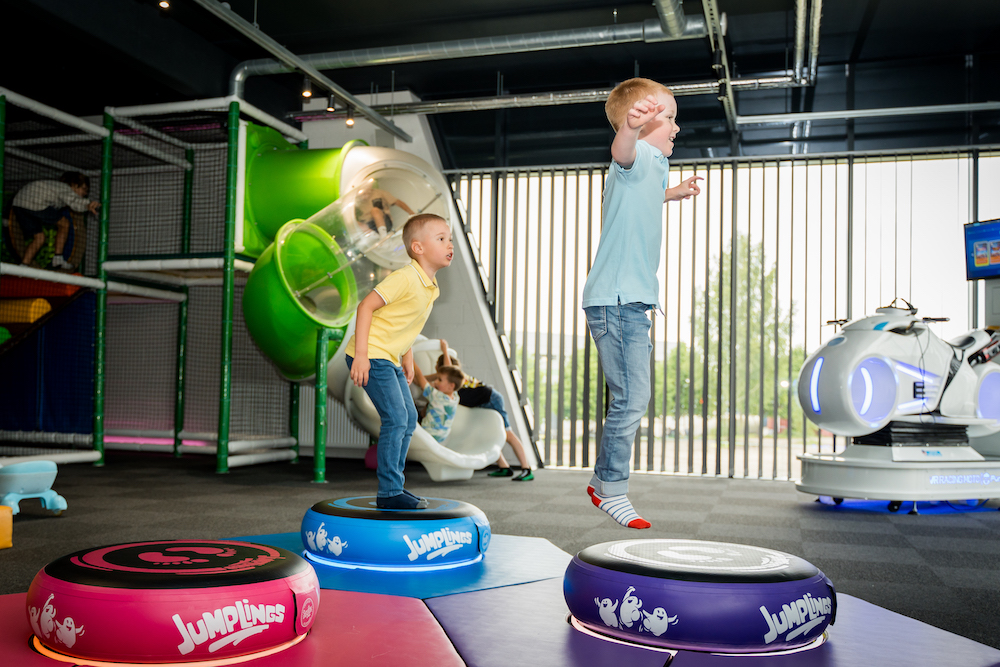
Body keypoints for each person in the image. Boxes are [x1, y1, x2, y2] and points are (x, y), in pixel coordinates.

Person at [581, 78, 702, 529]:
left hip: (629, 302)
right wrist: (629, 128)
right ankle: (609, 488)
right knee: (632, 398)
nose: (676, 127)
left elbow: (641, 194)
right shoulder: (635, 155)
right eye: (669, 118)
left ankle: (605, 482)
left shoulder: (656, 167)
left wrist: (673, 192)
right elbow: (622, 154)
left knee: (634, 397)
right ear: (643, 124)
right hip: (617, 300)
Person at [345, 213, 453, 510]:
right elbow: (366, 307)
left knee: (408, 418)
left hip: (389, 356)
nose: (450, 245)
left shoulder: (431, 286)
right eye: (441, 239)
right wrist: (362, 356)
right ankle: (390, 491)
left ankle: (395, 487)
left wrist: (407, 355)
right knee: (396, 418)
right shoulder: (406, 277)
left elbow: (405, 324)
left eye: (450, 239)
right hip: (371, 354)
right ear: (418, 248)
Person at [432, 339, 534, 481]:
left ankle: (526, 469)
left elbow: (447, 369)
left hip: (491, 399)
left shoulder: (455, 376)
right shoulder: (442, 378)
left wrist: (444, 349)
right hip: (480, 404)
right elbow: (424, 379)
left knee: (507, 434)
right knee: (488, 434)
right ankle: (504, 467)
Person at [12, 172, 99, 269]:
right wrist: (87, 205)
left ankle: (23, 266)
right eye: (84, 189)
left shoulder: (55, 188)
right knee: (64, 223)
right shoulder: (65, 188)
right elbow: (74, 202)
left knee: (39, 237)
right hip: (35, 202)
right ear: (74, 185)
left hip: (19, 204)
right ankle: (58, 258)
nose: (85, 193)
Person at [412, 363, 464, 443]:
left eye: (439, 380)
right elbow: (450, 374)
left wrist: (411, 360)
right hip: (441, 437)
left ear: (451, 386)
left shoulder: (438, 396)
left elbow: (419, 377)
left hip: (427, 434)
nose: (436, 382)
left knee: (411, 405)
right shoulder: (455, 397)